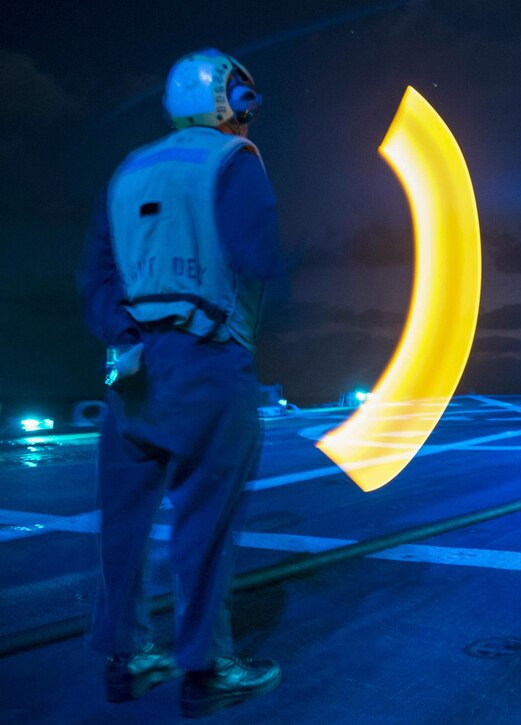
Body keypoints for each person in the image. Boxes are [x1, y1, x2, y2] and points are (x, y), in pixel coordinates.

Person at [77, 48, 283, 718]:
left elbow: (95, 281)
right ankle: (207, 667)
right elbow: (259, 259)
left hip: (130, 369)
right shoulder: (234, 163)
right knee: (204, 523)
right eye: (245, 99)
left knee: (123, 524)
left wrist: (129, 340)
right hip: (207, 363)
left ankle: (127, 658)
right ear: (231, 101)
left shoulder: (128, 169)